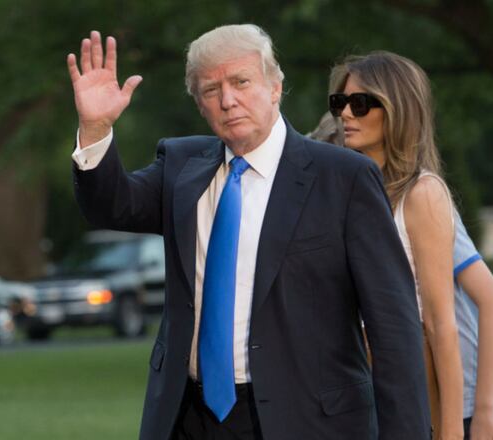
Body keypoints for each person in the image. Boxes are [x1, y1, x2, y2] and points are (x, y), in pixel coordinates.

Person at [68, 25, 430, 440]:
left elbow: (394, 327)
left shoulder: (343, 178)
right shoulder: (181, 167)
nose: (227, 100)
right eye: (210, 90)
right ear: (200, 105)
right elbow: (110, 206)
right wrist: (95, 129)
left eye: (241, 81)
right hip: (187, 419)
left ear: (275, 87)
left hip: (308, 421)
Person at [326, 51, 493, 440]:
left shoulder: (423, 194)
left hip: (406, 389)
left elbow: (442, 324)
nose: (345, 114)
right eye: (340, 103)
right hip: (349, 390)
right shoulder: (342, 191)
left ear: (398, 109)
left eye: (360, 104)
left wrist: (452, 430)